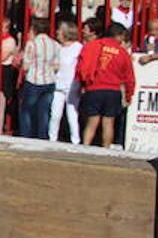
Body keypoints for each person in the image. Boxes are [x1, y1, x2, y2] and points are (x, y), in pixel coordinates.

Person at [78, 21, 135, 149]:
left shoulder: (92, 46)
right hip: (112, 90)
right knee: (108, 122)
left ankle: (85, 147)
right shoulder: (122, 53)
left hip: (94, 88)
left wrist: (83, 84)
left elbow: (81, 68)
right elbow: (129, 78)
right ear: (119, 36)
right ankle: (106, 149)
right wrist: (128, 95)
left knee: (92, 121)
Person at [18, 19, 60, 139]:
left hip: (34, 81)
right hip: (49, 81)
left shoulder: (32, 44)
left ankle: (27, 135)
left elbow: (26, 66)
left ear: (34, 30)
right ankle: (42, 136)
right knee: (44, 111)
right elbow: (57, 66)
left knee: (26, 110)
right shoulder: (55, 44)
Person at [49, 20, 83, 144]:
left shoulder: (78, 47)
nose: (57, 32)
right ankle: (52, 139)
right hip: (58, 85)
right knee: (55, 114)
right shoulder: (57, 47)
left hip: (72, 86)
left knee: (72, 115)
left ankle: (75, 140)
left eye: (59, 30)